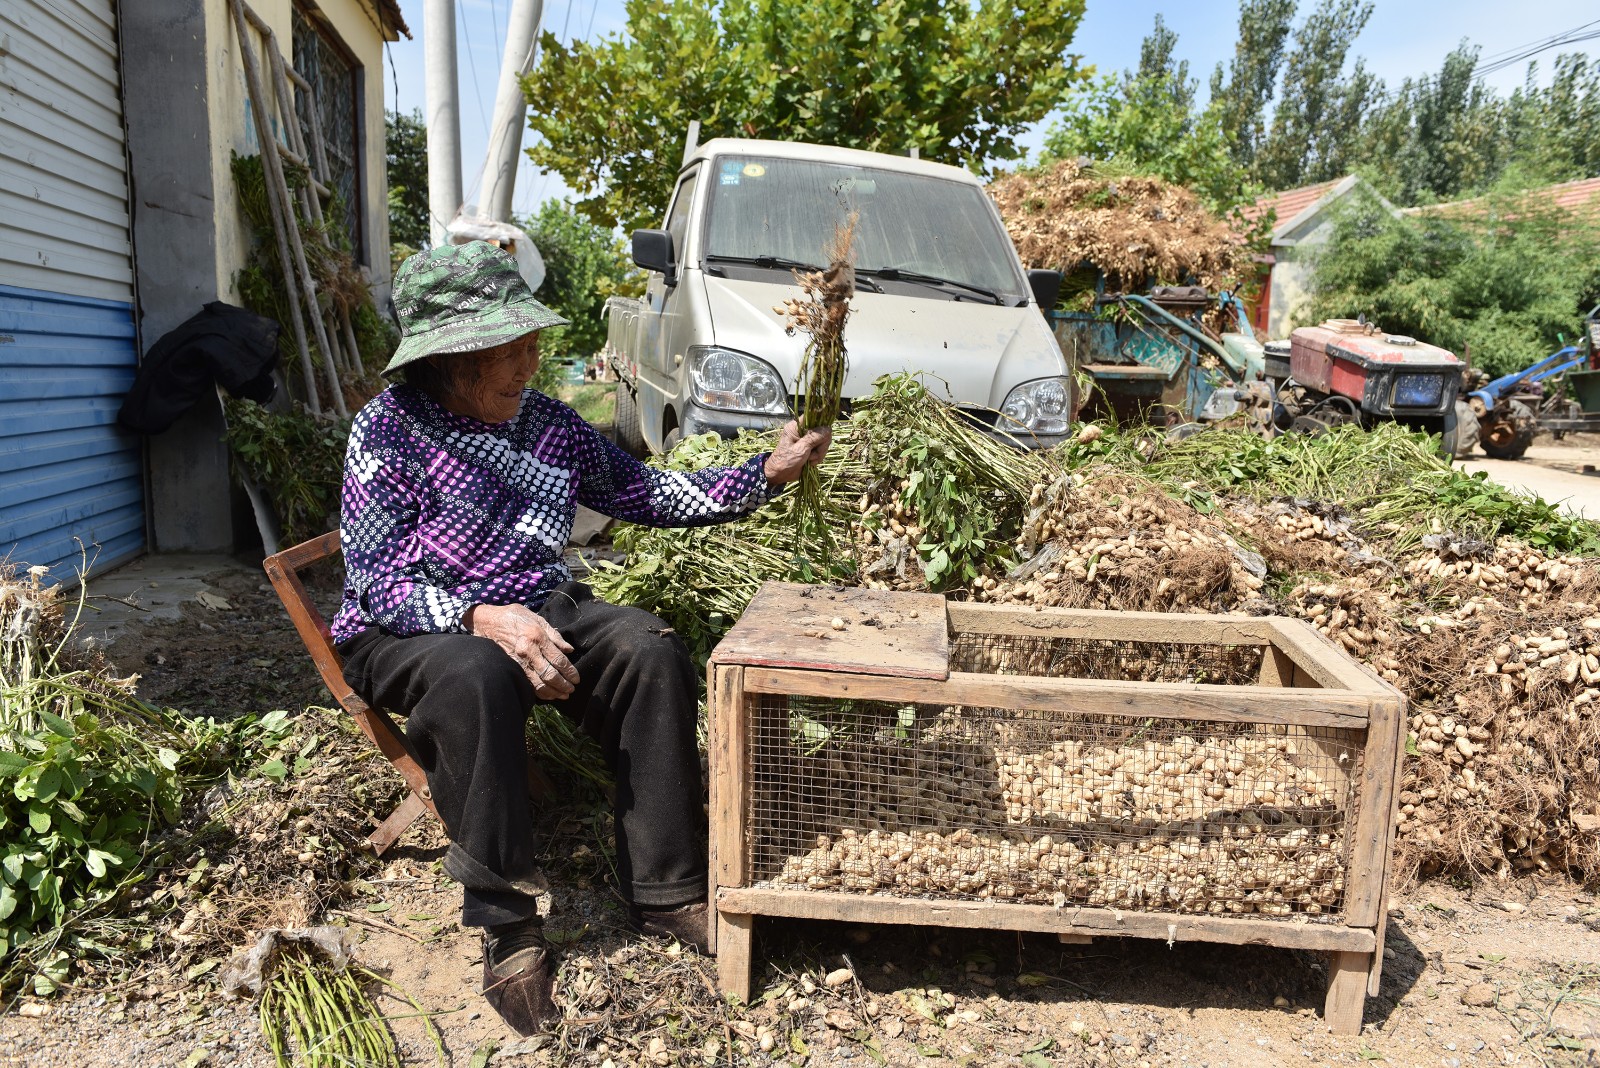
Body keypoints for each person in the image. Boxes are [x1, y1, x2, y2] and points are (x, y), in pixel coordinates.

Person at [330, 242, 831, 1033]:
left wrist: (762, 474)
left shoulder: (547, 425)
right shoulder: (387, 431)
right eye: (512, 350)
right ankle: (505, 924)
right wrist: (480, 618)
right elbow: (376, 583)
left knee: (646, 647)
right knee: (475, 675)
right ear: (452, 360)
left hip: (535, 603)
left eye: (532, 344)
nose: (531, 363)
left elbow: (646, 491)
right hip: (415, 626)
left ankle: (665, 889)